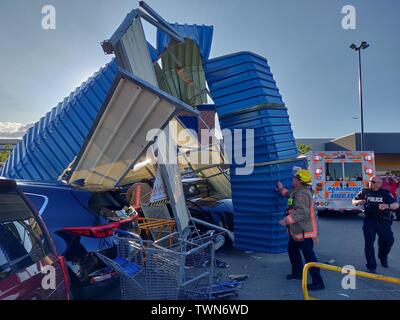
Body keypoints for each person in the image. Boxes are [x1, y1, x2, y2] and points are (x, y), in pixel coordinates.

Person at [277, 168, 325, 291]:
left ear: (298, 181)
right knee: (292, 249)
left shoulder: (302, 194)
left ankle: (318, 282)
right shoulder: (298, 191)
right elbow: (289, 195)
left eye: (294, 178)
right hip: (298, 231)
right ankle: (297, 273)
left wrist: (286, 220)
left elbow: (302, 212)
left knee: (309, 256)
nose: (292, 179)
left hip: (305, 231)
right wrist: (281, 189)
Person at [352, 175, 399, 273]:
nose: (370, 183)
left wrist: (387, 205)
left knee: (388, 241)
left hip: (383, 221)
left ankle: (383, 257)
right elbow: (353, 201)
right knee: (369, 244)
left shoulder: (385, 193)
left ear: (379, 184)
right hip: (369, 220)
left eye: (373, 182)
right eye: (370, 181)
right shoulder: (365, 191)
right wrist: (358, 201)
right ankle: (371, 266)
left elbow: (396, 205)